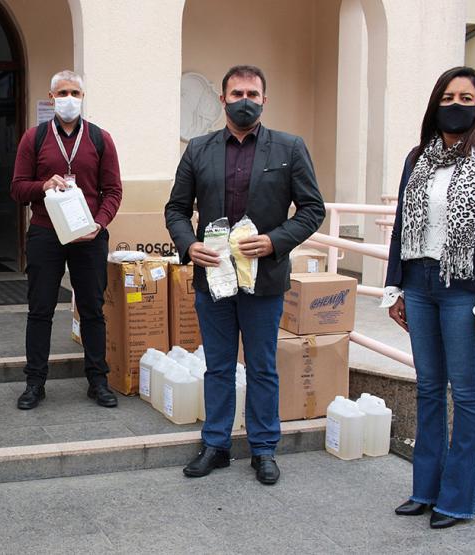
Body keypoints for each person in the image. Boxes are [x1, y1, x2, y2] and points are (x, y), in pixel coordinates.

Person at [165, 65, 324, 485]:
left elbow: (312, 210)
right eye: (236, 93)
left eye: (252, 92)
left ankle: (264, 448)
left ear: (264, 99)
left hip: (264, 279)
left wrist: (275, 241)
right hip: (213, 278)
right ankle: (215, 444)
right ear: (222, 100)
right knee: (217, 366)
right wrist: (187, 244)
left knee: (262, 367)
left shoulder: (289, 147)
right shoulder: (198, 149)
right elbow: (176, 209)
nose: (244, 100)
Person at [383, 67, 475, 529]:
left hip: (465, 291)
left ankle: (459, 500)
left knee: (464, 395)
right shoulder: (417, 158)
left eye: (466, 96)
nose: (457, 103)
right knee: (427, 389)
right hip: (420, 285)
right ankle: (424, 489)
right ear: (435, 103)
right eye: (449, 95)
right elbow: (403, 224)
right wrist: (395, 286)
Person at [10, 70, 123, 410]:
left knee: (92, 309)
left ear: (83, 97)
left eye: (75, 92)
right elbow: (17, 188)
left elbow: (113, 191)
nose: (69, 98)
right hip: (46, 232)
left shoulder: (101, 139)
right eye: (62, 92)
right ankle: (35, 383)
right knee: (40, 309)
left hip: (88, 234)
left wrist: (100, 224)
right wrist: (42, 185)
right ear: (51, 96)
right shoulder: (35, 137)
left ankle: (98, 381)